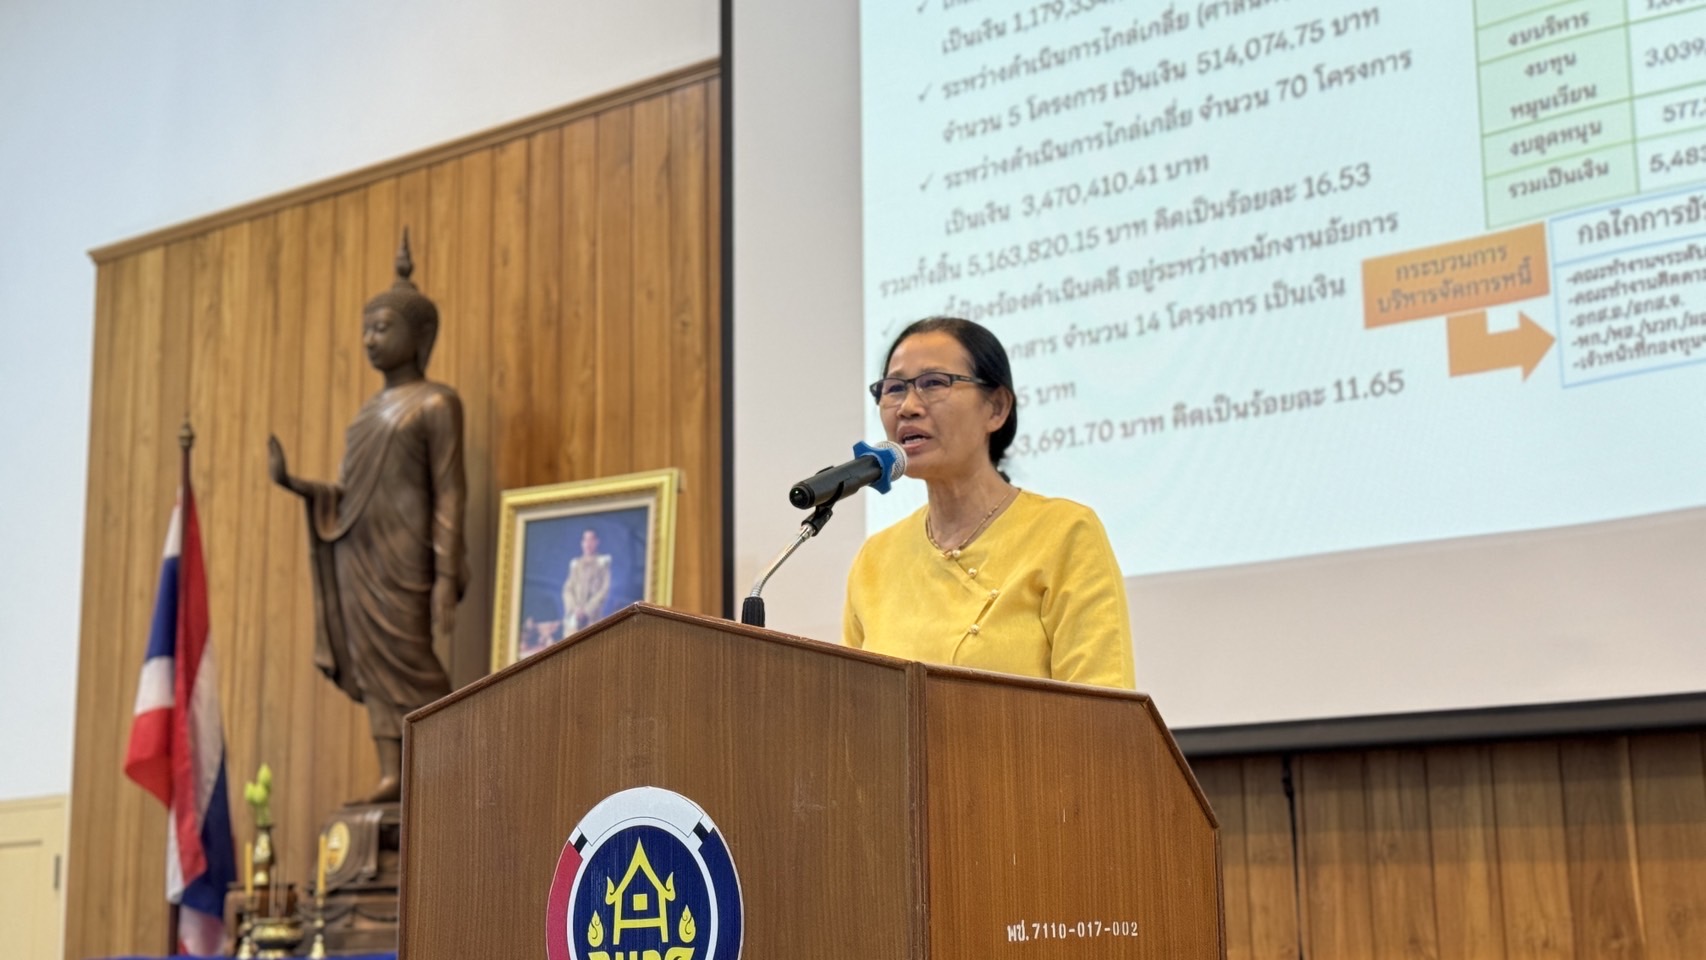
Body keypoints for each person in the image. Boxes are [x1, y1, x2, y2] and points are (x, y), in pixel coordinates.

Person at [267, 233, 466, 804]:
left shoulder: (435, 403)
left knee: (413, 658)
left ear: (420, 334)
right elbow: (347, 494)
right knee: (373, 665)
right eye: (366, 330)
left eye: (384, 328)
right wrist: (295, 485)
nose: (371, 340)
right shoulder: (363, 416)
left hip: (407, 557)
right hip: (361, 552)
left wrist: (448, 573)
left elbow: (451, 491)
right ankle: (392, 772)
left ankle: (446, 759)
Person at [843, 316, 1135, 689]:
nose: (908, 406)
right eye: (894, 388)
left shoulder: (1066, 533)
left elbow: (1103, 710)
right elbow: (856, 710)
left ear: (996, 407)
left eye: (934, 383)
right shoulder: (875, 559)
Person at [561, 528, 612, 634]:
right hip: (574, 619)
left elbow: (604, 590)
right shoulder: (575, 565)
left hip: (593, 619)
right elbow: (568, 589)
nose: (588, 543)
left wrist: (587, 611)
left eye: (591, 540)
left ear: (597, 542)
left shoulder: (602, 563)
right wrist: (575, 609)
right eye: (585, 540)